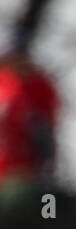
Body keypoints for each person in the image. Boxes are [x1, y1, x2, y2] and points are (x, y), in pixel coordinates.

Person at [0, 29, 60, 192]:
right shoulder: (4, 80)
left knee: (45, 210)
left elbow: (44, 128)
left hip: (27, 171)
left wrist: (46, 164)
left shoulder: (40, 85)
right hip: (4, 169)